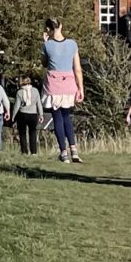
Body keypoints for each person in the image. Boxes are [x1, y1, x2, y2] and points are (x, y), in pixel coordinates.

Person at [42, 20, 83, 164]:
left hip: (53, 85)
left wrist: (44, 42)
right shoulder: (72, 44)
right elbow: (77, 68)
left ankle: (63, 153)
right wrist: (80, 88)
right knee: (66, 117)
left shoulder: (47, 45)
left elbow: (44, 63)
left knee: (57, 118)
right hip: (69, 83)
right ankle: (74, 150)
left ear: (48, 29)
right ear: (61, 26)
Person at [11, 75, 44, 154]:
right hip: (33, 114)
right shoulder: (35, 91)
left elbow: (17, 106)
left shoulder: (20, 92)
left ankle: (24, 151)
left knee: (22, 133)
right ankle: (34, 152)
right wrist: (41, 114)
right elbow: (39, 103)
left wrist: (13, 116)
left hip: (22, 114)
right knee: (32, 133)